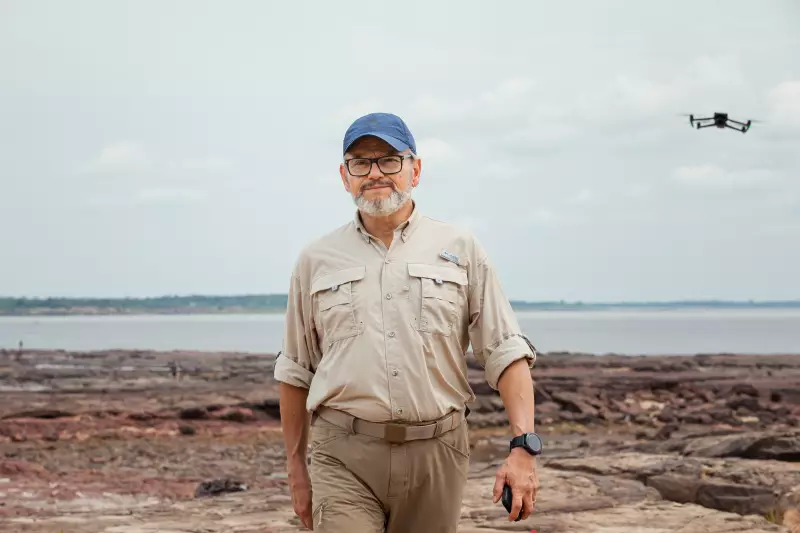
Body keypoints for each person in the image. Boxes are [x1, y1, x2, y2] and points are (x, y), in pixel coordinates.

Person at [274, 112, 541, 532]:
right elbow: (294, 370)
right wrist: (296, 470)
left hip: (438, 453)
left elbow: (506, 352)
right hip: (343, 454)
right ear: (345, 177)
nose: (375, 173)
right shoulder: (315, 260)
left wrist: (523, 446)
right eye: (360, 162)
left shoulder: (460, 247)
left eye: (389, 160)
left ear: (415, 170)